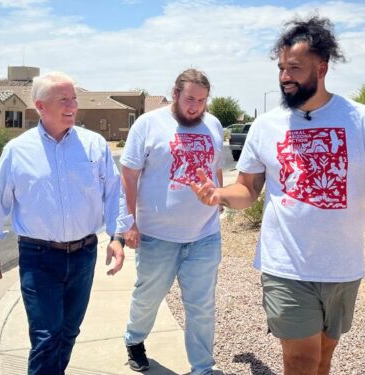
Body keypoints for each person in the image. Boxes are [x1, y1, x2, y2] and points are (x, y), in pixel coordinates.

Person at [190, 15, 365, 375]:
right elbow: (248, 189)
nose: (285, 77)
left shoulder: (362, 120)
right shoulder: (266, 125)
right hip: (285, 265)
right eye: (281, 68)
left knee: (323, 356)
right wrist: (219, 195)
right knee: (300, 359)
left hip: (342, 265)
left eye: (295, 68)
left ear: (321, 68)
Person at [0, 72, 125, 375]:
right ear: (40, 106)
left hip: (84, 255)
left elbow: (114, 193)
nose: (72, 105)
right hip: (38, 257)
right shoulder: (18, 151)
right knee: (46, 338)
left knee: (68, 333)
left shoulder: (94, 145)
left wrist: (117, 235)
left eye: (74, 99)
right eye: (64, 100)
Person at [116, 68, 224, 374]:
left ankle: (201, 367)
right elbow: (129, 175)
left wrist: (219, 202)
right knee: (148, 297)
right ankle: (134, 340)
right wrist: (129, 223)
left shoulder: (213, 125)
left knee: (201, 306)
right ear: (175, 94)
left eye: (202, 101)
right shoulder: (148, 125)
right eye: (190, 98)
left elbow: (216, 170)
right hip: (156, 235)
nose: (195, 106)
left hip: (204, 235)